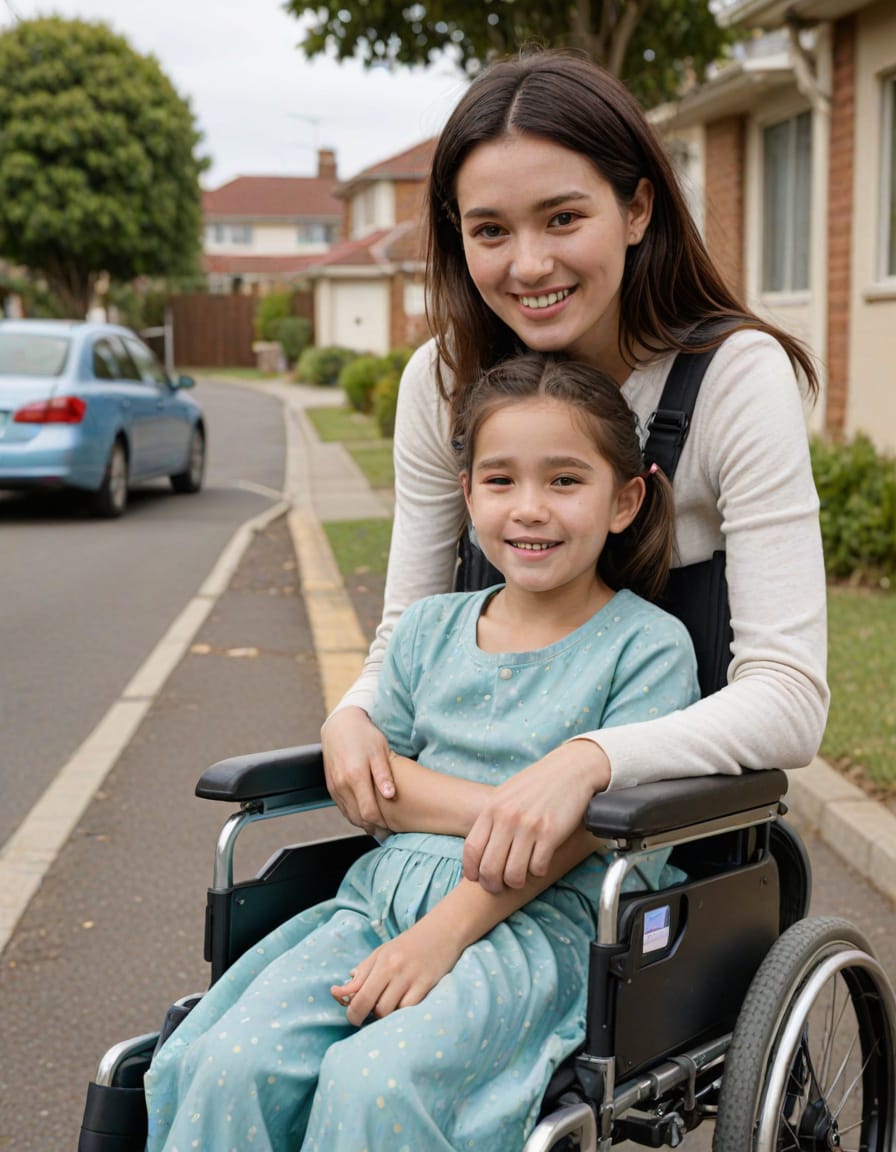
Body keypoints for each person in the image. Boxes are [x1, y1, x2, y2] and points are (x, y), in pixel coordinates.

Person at [143, 352, 700, 1152]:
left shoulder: (648, 648)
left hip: (537, 924)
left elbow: (589, 830)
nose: (530, 509)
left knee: (374, 1084)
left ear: (625, 499)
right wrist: (517, 808)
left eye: (565, 482)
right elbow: (376, 793)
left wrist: (444, 928)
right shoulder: (428, 630)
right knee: (231, 1062)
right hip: (380, 901)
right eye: (501, 480)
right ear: (467, 492)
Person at [322, 47, 829, 896]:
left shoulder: (736, 377)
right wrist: (354, 713)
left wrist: (590, 763)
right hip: (470, 851)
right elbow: (407, 628)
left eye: (563, 219)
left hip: (667, 851)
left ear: (636, 210)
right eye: (490, 230)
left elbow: (787, 699)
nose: (527, 265)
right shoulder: (441, 383)